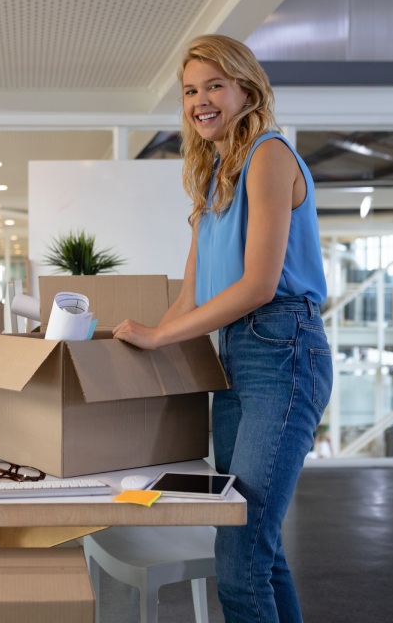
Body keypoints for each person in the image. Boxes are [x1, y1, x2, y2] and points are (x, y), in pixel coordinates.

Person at [112, 35, 332, 623]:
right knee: (256, 542)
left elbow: (259, 285)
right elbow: (193, 290)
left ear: (246, 89)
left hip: (282, 350)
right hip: (235, 352)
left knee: (239, 558)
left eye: (214, 85)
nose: (200, 100)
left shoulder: (269, 154)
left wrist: (162, 339)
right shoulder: (214, 174)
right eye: (189, 90)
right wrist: (149, 342)